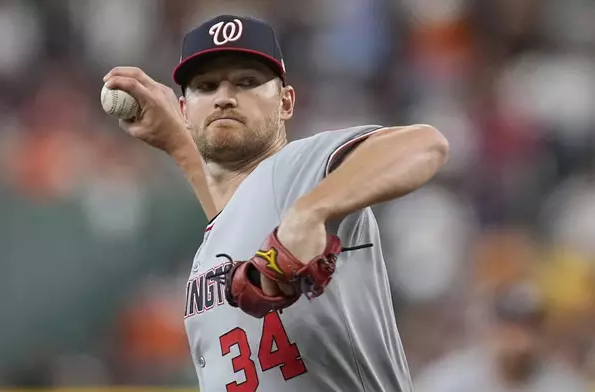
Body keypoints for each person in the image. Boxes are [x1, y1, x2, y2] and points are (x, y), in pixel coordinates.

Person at [103, 14, 449, 392]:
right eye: (206, 86)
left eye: (247, 82)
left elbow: (424, 144)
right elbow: (235, 217)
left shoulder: (301, 167)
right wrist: (178, 144)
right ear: (185, 110)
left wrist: (311, 212)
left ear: (285, 102)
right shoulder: (218, 234)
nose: (224, 97)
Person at [413, 282, 590, 392]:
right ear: (492, 328)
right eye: (510, 326)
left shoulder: (563, 386)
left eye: (528, 328)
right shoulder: (450, 380)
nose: (519, 340)